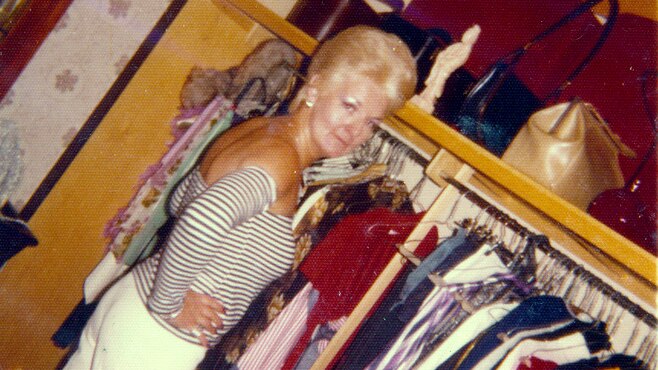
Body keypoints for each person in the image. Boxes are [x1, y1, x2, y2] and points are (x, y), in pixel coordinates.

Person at [63, 25, 417, 370]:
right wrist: (168, 304)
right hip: (157, 338)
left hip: (130, 309)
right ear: (316, 85)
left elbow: (180, 201)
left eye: (371, 122)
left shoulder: (258, 131)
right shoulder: (281, 159)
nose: (354, 131)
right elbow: (200, 218)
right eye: (349, 106)